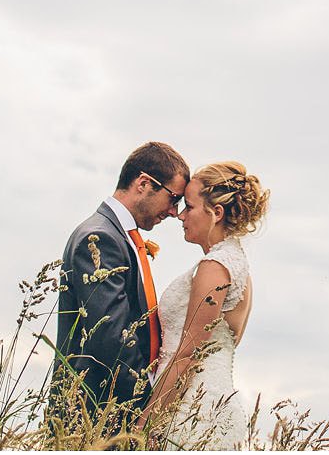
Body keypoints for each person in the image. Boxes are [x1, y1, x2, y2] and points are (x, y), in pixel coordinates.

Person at [48, 141, 191, 431]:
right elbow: (109, 335)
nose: (174, 212)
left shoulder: (117, 236)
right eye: (173, 198)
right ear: (143, 183)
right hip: (92, 413)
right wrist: (147, 401)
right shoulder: (100, 237)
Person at [142, 160, 270, 450]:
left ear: (216, 213)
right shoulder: (237, 266)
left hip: (190, 409)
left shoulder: (215, 267)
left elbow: (187, 354)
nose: (180, 215)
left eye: (189, 206)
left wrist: (146, 423)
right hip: (211, 402)